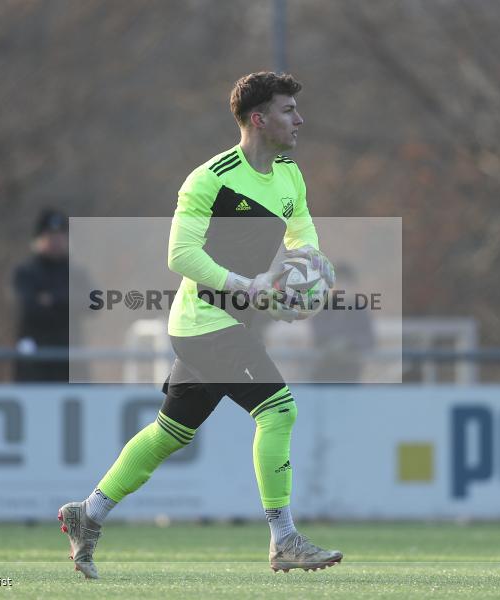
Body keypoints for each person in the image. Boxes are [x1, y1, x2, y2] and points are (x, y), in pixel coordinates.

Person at [58, 72, 342, 578]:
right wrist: (249, 286)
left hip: (232, 324)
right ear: (258, 119)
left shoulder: (290, 175)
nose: (300, 119)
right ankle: (284, 539)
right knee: (279, 411)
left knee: (170, 434)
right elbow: (180, 254)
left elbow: (303, 237)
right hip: (204, 322)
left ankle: (88, 513)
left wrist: (305, 274)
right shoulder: (210, 178)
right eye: (288, 110)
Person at [12, 208, 71, 382]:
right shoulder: (27, 272)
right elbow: (30, 307)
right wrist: (67, 302)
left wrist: (52, 299)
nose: (56, 241)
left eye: (60, 236)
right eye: (50, 236)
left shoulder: (74, 271)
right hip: (35, 357)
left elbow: (93, 302)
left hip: (68, 357)